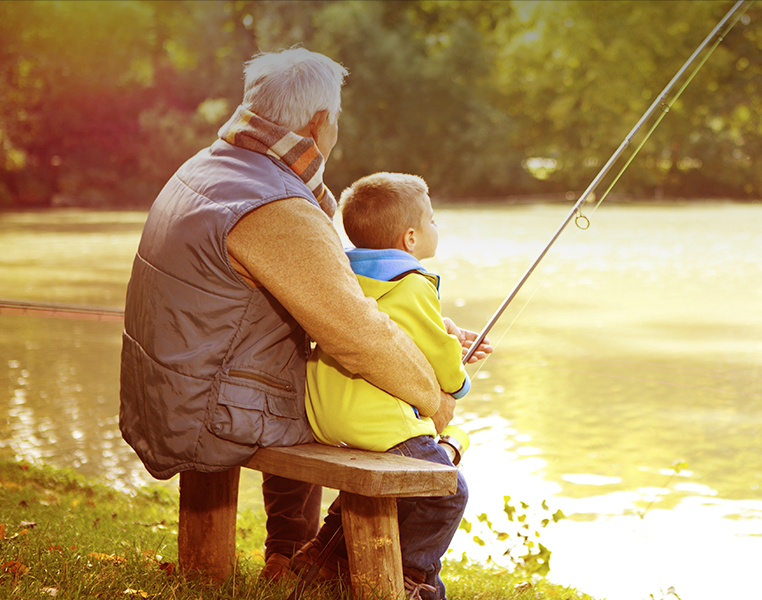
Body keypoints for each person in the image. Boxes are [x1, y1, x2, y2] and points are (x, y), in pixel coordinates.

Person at [117, 47, 490, 583]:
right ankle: (366, 572)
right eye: (335, 120)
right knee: (372, 415)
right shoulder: (277, 206)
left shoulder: (206, 169)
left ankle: (300, 556)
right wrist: (434, 397)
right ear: (320, 123)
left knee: (331, 382)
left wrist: (436, 333)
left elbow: (335, 301)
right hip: (206, 412)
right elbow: (357, 334)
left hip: (166, 393)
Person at [299, 172, 472, 599]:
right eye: (432, 220)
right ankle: (411, 577)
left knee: (376, 485)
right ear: (410, 238)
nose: (437, 227)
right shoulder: (413, 284)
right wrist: (460, 381)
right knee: (448, 490)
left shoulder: (342, 275)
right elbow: (442, 360)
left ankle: (322, 556)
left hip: (324, 415)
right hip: (376, 425)